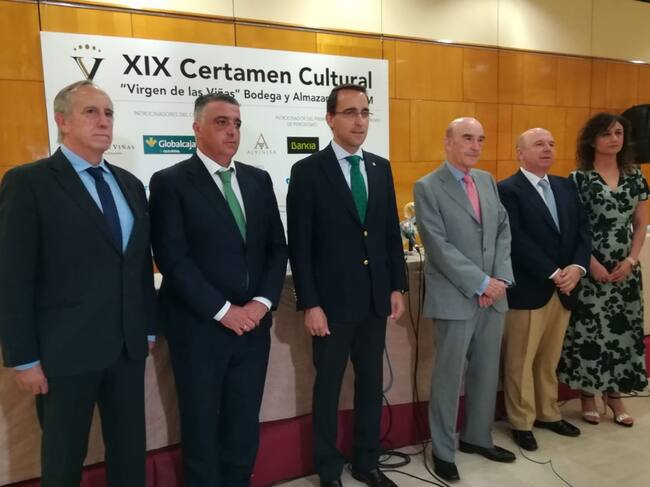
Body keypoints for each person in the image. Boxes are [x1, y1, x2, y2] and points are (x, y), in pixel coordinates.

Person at [0, 80, 157, 486]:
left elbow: (138, 266)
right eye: (91, 112)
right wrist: (23, 358)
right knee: (63, 460)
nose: (103, 121)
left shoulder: (129, 184)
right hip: (63, 353)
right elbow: (13, 277)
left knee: (129, 455)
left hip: (126, 349)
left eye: (108, 113)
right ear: (62, 121)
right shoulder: (28, 182)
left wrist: (148, 328)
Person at [149, 93, 287, 486]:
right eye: (221, 122)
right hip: (199, 329)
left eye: (237, 123)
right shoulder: (170, 182)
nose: (232, 131)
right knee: (201, 425)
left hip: (252, 328)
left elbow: (277, 248)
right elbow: (173, 259)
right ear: (197, 129)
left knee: (243, 422)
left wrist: (261, 303)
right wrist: (224, 311)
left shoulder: (258, 179)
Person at [286, 84, 407, 487]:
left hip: (374, 300)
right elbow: (300, 246)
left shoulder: (379, 167)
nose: (360, 121)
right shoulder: (308, 171)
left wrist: (396, 287)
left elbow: (389, 233)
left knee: (370, 386)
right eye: (350, 113)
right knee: (329, 388)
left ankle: (367, 461)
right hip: (331, 306)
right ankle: (328, 468)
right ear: (330, 119)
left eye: (365, 112)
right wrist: (311, 303)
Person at [413, 117, 515, 483]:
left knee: (486, 373)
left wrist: (499, 280)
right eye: (467, 138)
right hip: (456, 297)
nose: (475, 146)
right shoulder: (427, 186)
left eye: (480, 139)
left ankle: (477, 438)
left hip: (493, 296)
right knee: (448, 377)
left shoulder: (486, 180)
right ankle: (443, 451)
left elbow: (502, 231)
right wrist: (481, 283)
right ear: (448, 142)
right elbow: (438, 246)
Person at [497, 128, 590, 451]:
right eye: (539, 144)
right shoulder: (507, 189)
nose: (547, 149)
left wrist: (577, 268)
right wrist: (553, 272)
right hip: (529, 288)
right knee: (520, 361)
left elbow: (582, 230)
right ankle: (522, 421)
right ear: (520, 152)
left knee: (549, 359)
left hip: (565, 288)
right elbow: (515, 239)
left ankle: (548, 413)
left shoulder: (565, 186)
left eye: (551, 144)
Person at [558, 113, 648, 427]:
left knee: (622, 333)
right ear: (592, 139)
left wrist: (632, 260)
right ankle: (587, 394)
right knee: (590, 333)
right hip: (590, 269)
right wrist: (590, 263)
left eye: (619, 133)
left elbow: (641, 223)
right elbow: (572, 227)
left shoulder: (636, 176)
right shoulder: (578, 179)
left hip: (625, 271)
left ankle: (615, 395)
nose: (614, 139)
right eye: (607, 133)